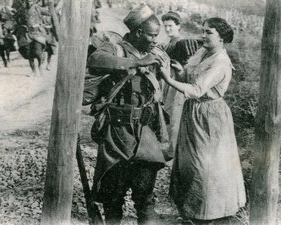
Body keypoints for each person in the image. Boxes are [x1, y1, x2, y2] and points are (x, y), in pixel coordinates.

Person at [87, 4, 172, 225]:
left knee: (145, 197)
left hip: (145, 132)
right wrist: (137, 62)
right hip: (117, 132)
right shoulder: (115, 48)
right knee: (113, 198)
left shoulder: (155, 53)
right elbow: (96, 60)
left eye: (157, 35)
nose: (155, 40)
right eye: (152, 35)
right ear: (138, 33)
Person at [158, 17, 246, 224]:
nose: (203, 35)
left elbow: (197, 90)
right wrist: (179, 73)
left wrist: (168, 79)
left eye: (209, 32)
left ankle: (209, 213)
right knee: (190, 160)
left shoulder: (220, 62)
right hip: (194, 112)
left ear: (222, 38)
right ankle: (192, 211)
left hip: (210, 115)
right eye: (203, 31)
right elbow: (190, 78)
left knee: (206, 164)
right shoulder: (203, 52)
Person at [161, 11, 202, 156]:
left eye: (171, 26)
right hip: (168, 81)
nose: (167, 29)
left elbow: (189, 66)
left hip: (178, 82)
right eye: (165, 26)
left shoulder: (182, 43)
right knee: (167, 112)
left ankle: (173, 151)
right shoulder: (169, 43)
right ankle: (170, 147)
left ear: (178, 26)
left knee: (175, 116)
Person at [14, 0, 52, 75]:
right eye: (27, 1)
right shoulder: (22, 10)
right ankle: (33, 70)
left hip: (37, 33)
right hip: (26, 34)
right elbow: (16, 18)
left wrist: (50, 5)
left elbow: (49, 13)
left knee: (38, 52)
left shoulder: (37, 8)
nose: (29, 2)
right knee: (28, 53)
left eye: (30, 1)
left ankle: (40, 65)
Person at [0, 0, 16, 67]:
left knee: (7, 46)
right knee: (0, 48)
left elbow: (11, 20)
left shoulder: (6, 12)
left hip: (5, 31)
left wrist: (6, 26)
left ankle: (8, 60)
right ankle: (4, 61)